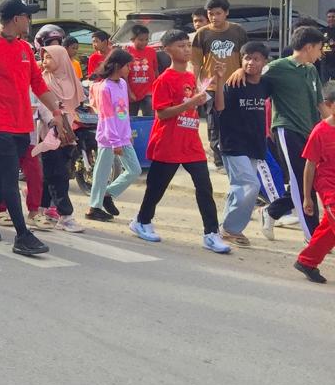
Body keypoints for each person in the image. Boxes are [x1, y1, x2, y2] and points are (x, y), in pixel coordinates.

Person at [0, 0, 70, 256]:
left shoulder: (24, 49)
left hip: (23, 123)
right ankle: (22, 235)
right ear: (15, 18)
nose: (29, 21)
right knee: (10, 176)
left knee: (4, 173)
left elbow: (38, 84)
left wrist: (56, 112)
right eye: (27, 16)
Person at [129, 30, 229, 252]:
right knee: (156, 187)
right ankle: (142, 221)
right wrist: (190, 103)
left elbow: (214, 105)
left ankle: (211, 233)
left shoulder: (191, 77)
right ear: (167, 50)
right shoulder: (163, 80)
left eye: (187, 45)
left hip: (191, 143)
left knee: (204, 187)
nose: (186, 49)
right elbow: (162, 113)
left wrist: (219, 79)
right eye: (181, 46)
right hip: (168, 141)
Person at [253, 26, 326, 240]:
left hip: (310, 132)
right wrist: (239, 71)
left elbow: (320, 104)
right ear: (309, 47)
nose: (321, 53)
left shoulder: (311, 70)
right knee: (300, 182)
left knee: (309, 181)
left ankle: (271, 211)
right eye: (320, 48)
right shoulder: (277, 67)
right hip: (287, 130)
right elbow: (253, 76)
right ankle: (312, 235)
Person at [215, 41, 270, 246]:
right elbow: (219, 107)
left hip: (254, 143)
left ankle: (224, 228)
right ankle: (231, 228)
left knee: (238, 188)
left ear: (264, 62)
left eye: (256, 59)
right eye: (247, 58)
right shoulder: (234, 83)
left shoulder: (266, 84)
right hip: (233, 143)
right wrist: (220, 81)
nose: (250, 62)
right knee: (250, 185)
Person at [191, 0, 250, 169]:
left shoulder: (238, 31)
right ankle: (219, 160)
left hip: (235, 84)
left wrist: (244, 73)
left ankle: (236, 154)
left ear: (226, 13)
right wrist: (195, 85)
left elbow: (246, 56)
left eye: (218, 13)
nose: (214, 17)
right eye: (211, 14)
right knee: (214, 123)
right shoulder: (202, 34)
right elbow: (196, 62)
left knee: (236, 120)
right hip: (211, 86)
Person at [85, 49, 141, 222]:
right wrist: (115, 141)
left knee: (135, 170)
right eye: (127, 66)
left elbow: (124, 113)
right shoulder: (104, 88)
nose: (129, 69)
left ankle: (108, 194)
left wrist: (128, 133)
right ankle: (93, 208)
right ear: (117, 66)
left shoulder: (122, 83)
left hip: (123, 137)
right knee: (102, 174)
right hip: (109, 138)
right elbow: (107, 117)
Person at [36, 45, 84, 232]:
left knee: (51, 173)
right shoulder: (43, 80)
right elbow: (42, 106)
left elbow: (76, 104)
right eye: (44, 57)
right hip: (50, 133)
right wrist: (54, 122)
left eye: (49, 57)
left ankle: (41, 209)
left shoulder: (70, 79)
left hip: (68, 134)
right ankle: (66, 215)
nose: (45, 61)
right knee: (59, 175)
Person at [294, 81, 335, 282]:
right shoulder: (320, 131)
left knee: (329, 230)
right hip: (329, 188)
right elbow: (310, 165)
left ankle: (307, 261)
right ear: (328, 104)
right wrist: (307, 197)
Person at [124, 25, 158, 116]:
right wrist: (129, 92)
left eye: (146, 39)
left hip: (149, 92)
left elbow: (155, 70)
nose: (144, 42)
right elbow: (124, 75)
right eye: (141, 40)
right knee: (131, 118)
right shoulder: (127, 52)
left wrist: (157, 89)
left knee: (150, 116)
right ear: (132, 39)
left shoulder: (151, 51)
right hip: (133, 92)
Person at [321, 8, 335, 83]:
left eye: (333, 17)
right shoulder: (323, 31)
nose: (331, 19)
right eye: (329, 17)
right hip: (325, 63)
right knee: (325, 84)